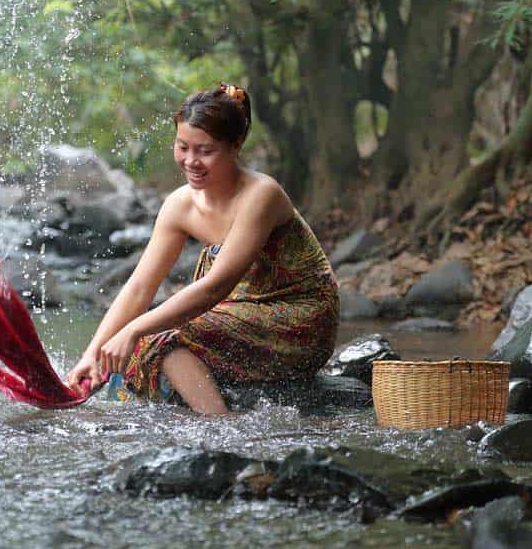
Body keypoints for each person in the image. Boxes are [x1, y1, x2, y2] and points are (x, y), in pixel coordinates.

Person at [66, 84, 339, 414]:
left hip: (302, 319)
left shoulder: (261, 195)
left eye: (205, 151)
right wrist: (92, 355)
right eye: (183, 147)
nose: (191, 161)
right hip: (236, 314)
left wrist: (134, 329)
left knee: (153, 338)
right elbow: (139, 287)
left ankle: (220, 428)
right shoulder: (180, 205)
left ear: (235, 146)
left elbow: (215, 287)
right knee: (128, 356)